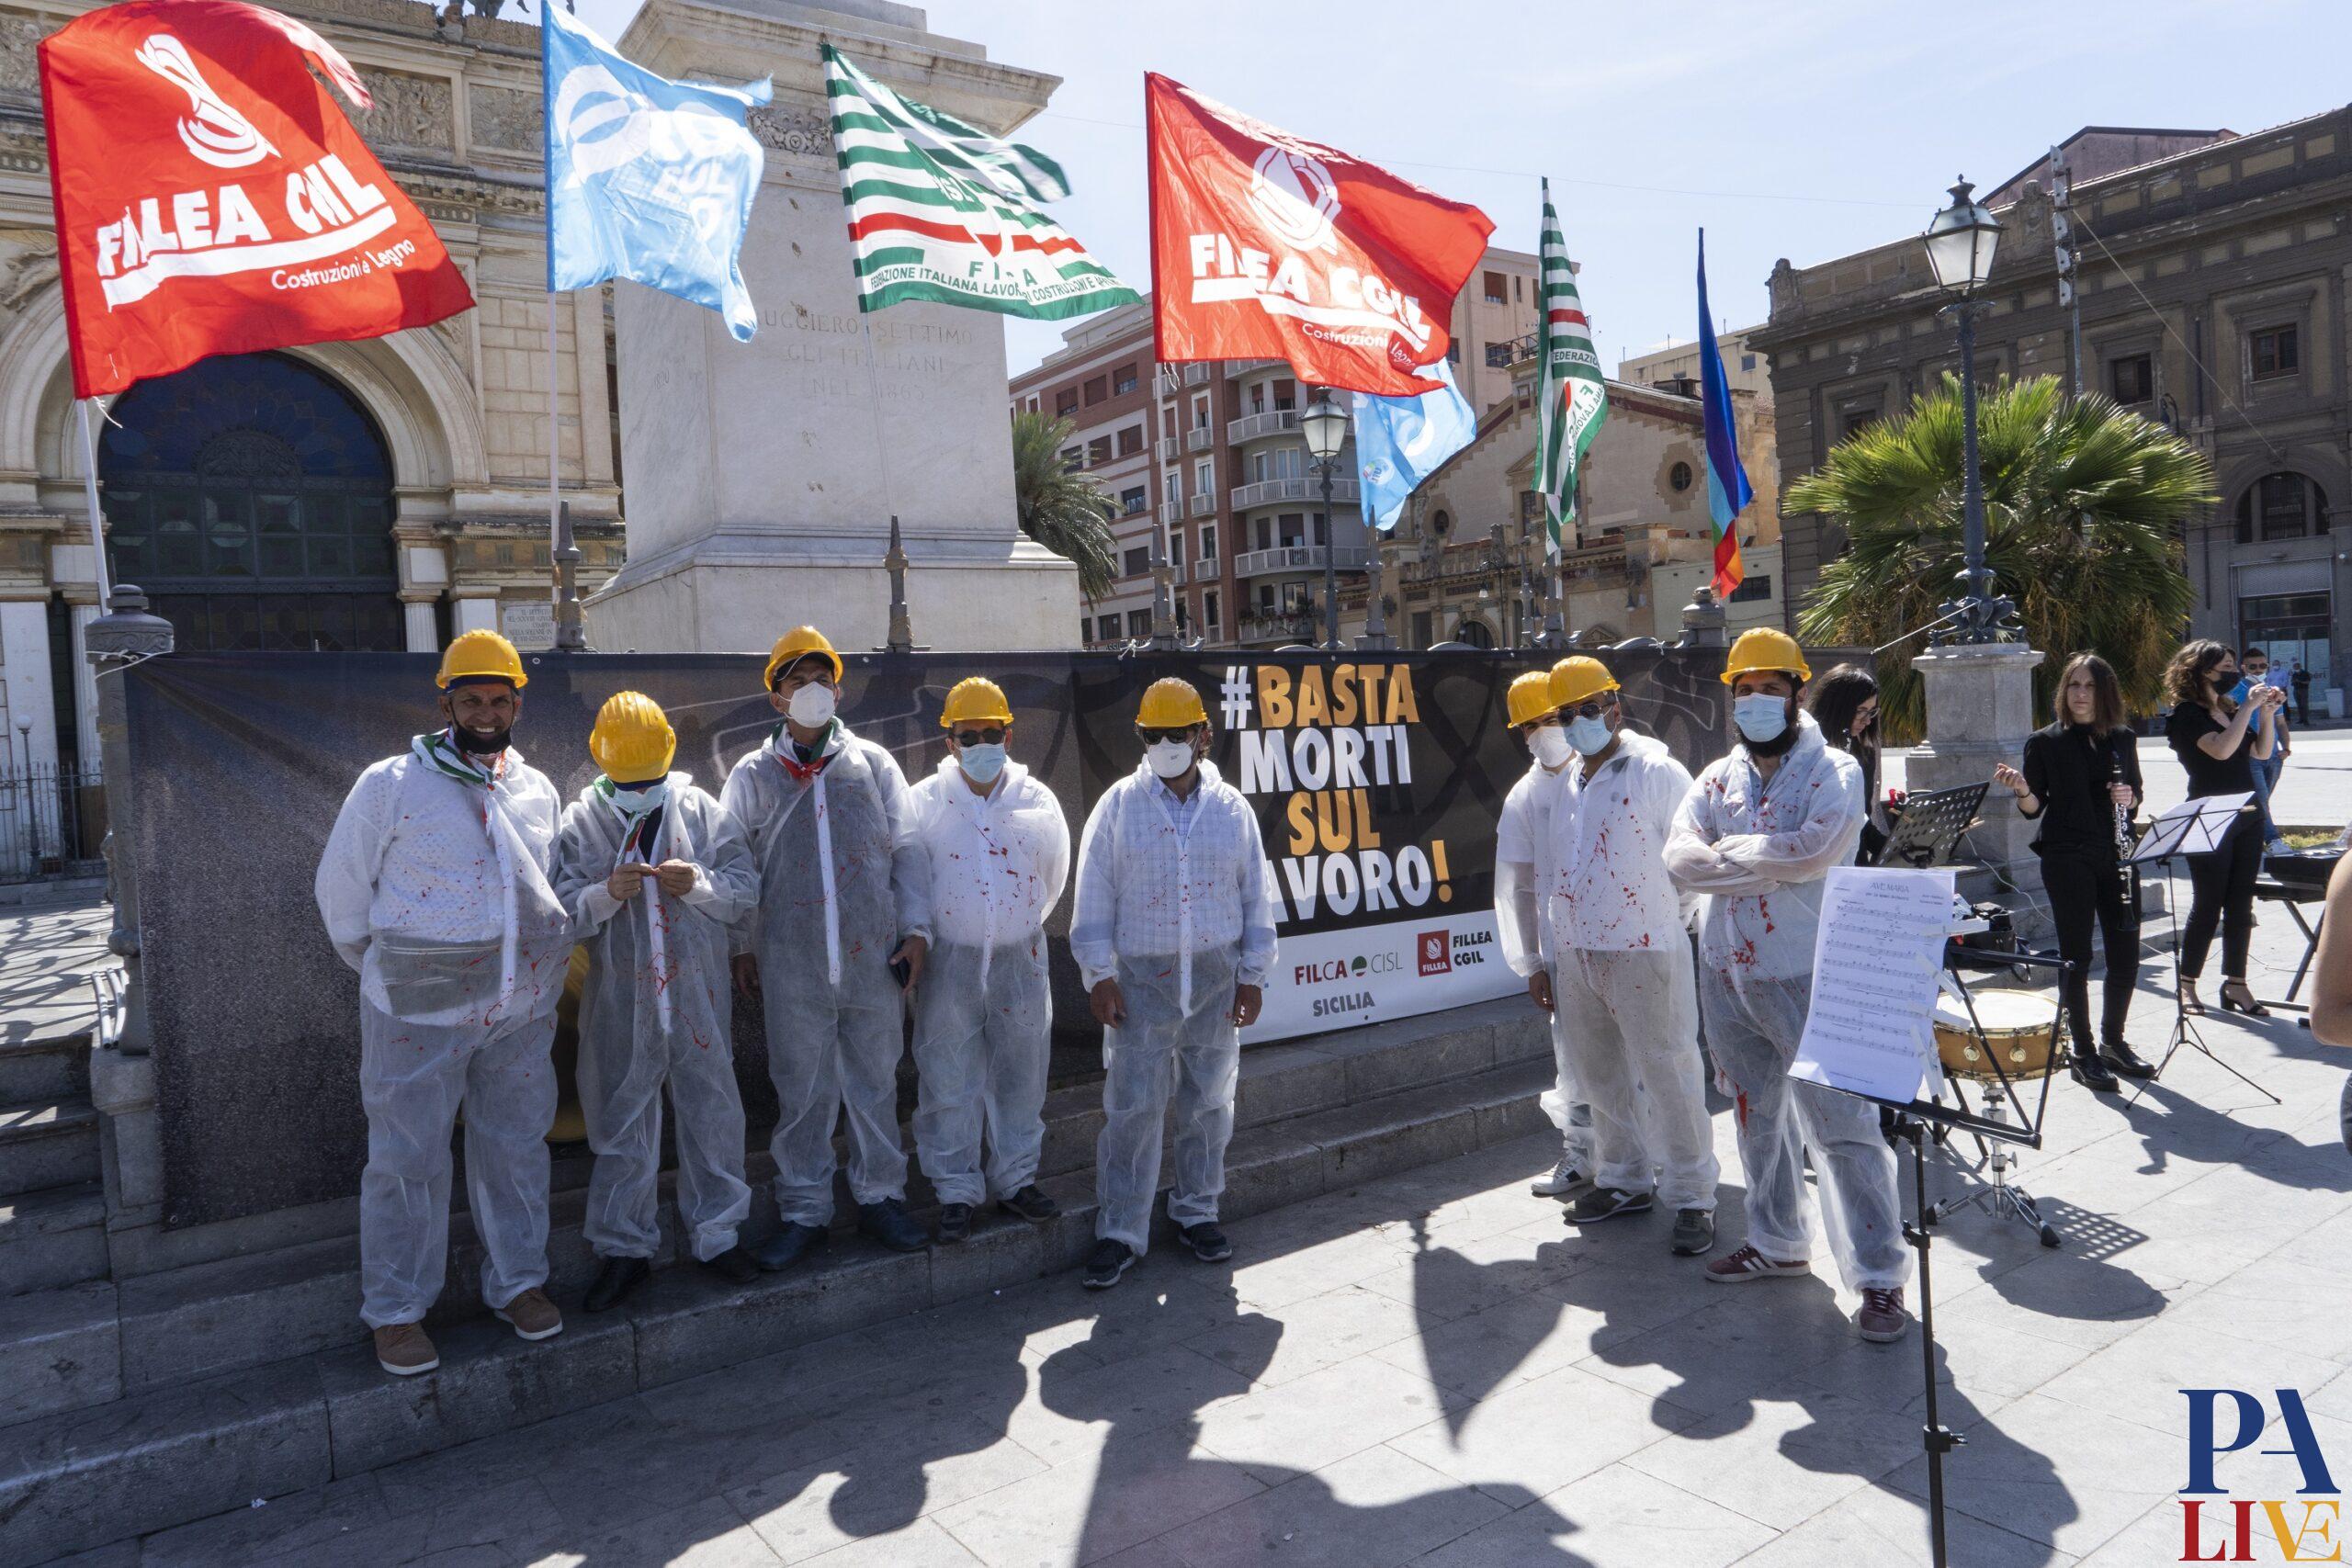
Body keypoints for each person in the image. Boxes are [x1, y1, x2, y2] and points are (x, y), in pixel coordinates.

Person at [314, 630, 570, 1377]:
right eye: (470, 698)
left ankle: (519, 1284)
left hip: (518, 1010)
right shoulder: (390, 783)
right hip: (415, 1010)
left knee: (516, 1146)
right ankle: (396, 1312)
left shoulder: (536, 788)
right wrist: (391, 974)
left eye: (498, 698)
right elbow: (342, 893)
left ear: (517, 701)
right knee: (405, 1158)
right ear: (445, 701)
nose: (486, 711)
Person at [1665, 627, 1911, 1343]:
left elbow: (1819, 849)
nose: (1755, 702)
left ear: (1798, 694)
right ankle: (1776, 1240)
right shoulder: (1715, 778)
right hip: (1726, 970)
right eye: (1744, 691)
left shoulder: (1834, 771)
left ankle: (1879, 1274)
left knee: (1843, 1127)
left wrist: (1734, 852)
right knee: (1755, 1116)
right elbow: (1680, 858)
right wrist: (1762, 862)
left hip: (1806, 970)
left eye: (1770, 689)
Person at [723, 626, 933, 1268]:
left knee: (874, 1081)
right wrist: (741, 944)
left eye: (822, 678)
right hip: (792, 964)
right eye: (797, 680)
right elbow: (732, 859)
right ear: (776, 698)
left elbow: (908, 850)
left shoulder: (871, 763)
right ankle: (804, 1209)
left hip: (873, 958)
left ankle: (881, 1198)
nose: (812, 690)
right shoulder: (754, 773)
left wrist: (917, 930)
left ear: (837, 688)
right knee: (802, 1091)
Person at [553, 692, 762, 1313]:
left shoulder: (699, 807)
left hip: (697, 997)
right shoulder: (580, 821)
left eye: (649, 779)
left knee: (713, 1111)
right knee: (620, 1120)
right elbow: (558, 908)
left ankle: (719, 1234)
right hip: (621, 1002)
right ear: (602, 761)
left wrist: (697, 884)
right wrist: (602, 893)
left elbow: (744, 886)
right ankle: (625, 1249)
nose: (640, 789)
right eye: (629, 779)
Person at [1070, 677, 1277, 1290]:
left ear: (1202, 736)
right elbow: (1094, 896)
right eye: (1154, 734)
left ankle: (1196, 1210)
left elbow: (1255, 898)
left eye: (1177, 733)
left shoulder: (1231, 809)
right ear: (1141, 736)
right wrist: (1099, 974)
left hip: (1216, 980)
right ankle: (1121, 1230)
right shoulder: (1118, 806)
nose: (1166, 745)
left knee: (1209, 1101)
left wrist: (1253, 976)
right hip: (1140, 983)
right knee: (1132, 1106)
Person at [1542, 656, 1717, 1255]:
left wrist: (1672, 917)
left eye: (1587, 711)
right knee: (1602, 1074)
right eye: (1566, 715)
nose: (1577, 723)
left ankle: (1694, 1195)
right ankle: (1624, 1179)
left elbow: (1694, 853)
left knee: (1668, 1071)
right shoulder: (1568, 779)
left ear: (1614, 708)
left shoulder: (1653, 770)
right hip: (1581, 951)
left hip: (1645, 947)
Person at [899, 676, 1071, 1243]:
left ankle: (1017, 1180)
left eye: (990, 732)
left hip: (1019, 959)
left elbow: (1053, 879)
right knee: (948, 1075)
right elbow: (910, 884)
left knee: (1022, 1074)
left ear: (1008, 733)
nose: (979, 743)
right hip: (949, 963)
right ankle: (955, 1190)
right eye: (966, 734)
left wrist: (1015, 929)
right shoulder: (922, 802)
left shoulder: (1037, 800)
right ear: (948, 741)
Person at [1991, 653, 2151, 1092]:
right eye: (2074, 685)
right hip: (2067, 856)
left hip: (2118, 854)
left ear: (2105, 692)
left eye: (2090, 686)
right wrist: (2023, 789)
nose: (2081, 694)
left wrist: (2129, 796)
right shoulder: (2044, 742)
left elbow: (2135, 796)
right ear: (2064, 691)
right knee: (2076, 957)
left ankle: (2114, 1041)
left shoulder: (2122, 737)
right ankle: (2083, 1051)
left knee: (2125, 953)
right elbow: (2034, 808)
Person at [1492, 668, 1596, 1203]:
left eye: (1552, 718)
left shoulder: (1607, 772)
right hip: (1563, 952)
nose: (1544, 732)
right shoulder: (1524, 797)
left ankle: (1642, 1159)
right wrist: (1532, 962)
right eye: (1530, 724)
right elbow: (1517, 888)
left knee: (1638, 1057)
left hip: (1623, 945)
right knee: (1574, 1061)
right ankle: (1583, 1157)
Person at [2162, 639, 2281, 1016]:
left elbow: (2260, 754)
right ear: (2201, 671)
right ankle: (2187, 984)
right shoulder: (2185, 715)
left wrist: (2264, 713)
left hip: (2247, 814)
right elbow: (2221, 751)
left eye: (2234, 665)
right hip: (2209, 816)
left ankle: (2236, 982)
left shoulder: (2231, 709)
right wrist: (2249, 705)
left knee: (2240, 902)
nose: (2234, 672)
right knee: (2208, 902)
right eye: (2226, 665)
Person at [1806, 664, 1887, 863]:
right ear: (1836, 707)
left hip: (1854, 869)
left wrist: (1896, 847)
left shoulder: (1864, 754)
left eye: (1872, 712)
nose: (1867, 721)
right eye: (1861, 711)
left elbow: (1861, 821)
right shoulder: (1803, 752)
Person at [2233, 649, 2290, 855]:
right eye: (2253, 666)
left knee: (2261, 802)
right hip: (2252, 755)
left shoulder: (2271, 690)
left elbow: (2281, 722)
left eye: (2262, 666)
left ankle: (2251, 838)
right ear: (2244, 668)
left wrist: (2287, 748)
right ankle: (2273, 840)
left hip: (2274, 756)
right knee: (2260, 799)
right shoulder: (2237, 690)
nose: (2258, 670)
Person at [2291, 659, 2313, 728]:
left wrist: (2300, 681)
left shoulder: (2305, 673)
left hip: (2303, 690)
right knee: (2299, 705)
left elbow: (2307, 682)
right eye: (2294, 667)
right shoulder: (2294, 674)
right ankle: (2301, 719)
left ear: (2299, 667)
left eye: (2297, 667)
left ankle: (2306, 720)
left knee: (2304, 705)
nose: (2295, 668)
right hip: (2296, 690)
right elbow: (2292, 682)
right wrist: (2294, 682)